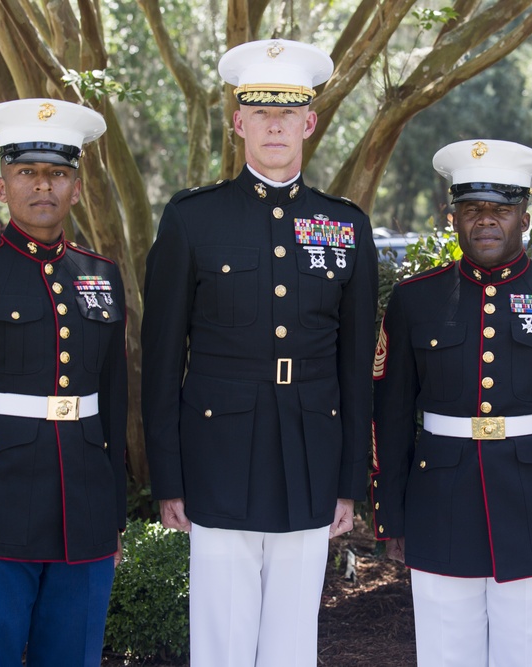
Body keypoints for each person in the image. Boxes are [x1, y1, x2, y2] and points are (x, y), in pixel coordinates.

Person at [141, 39, 378, 665]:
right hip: (217, 451)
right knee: (220, 633)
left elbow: (356, 368)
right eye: (260, 112)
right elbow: (162, 358)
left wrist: (350, 481)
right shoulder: (193, 219)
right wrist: (168, 476)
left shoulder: (345, 225)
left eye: (288, 113)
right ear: (239, 122)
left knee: (294, 637)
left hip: (311, 451)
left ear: (310, 122)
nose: (275, 125)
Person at [370, 139, 532, 666]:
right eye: (472, 209)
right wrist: (389, 513)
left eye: (501, 210)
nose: (486, 221)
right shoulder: (415, 299)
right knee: (444, 654)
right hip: (439, 502)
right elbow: (389, 416)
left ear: (524, 218)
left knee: (531, 654)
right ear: (453, 217)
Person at [0, 98, 127, 666]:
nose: (43, 186)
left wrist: (113, 516)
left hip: (83, 511)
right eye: (27, 172)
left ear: (76, 188)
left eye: (58, 173)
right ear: (1, 186)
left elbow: (113, 403)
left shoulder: (101, 276)